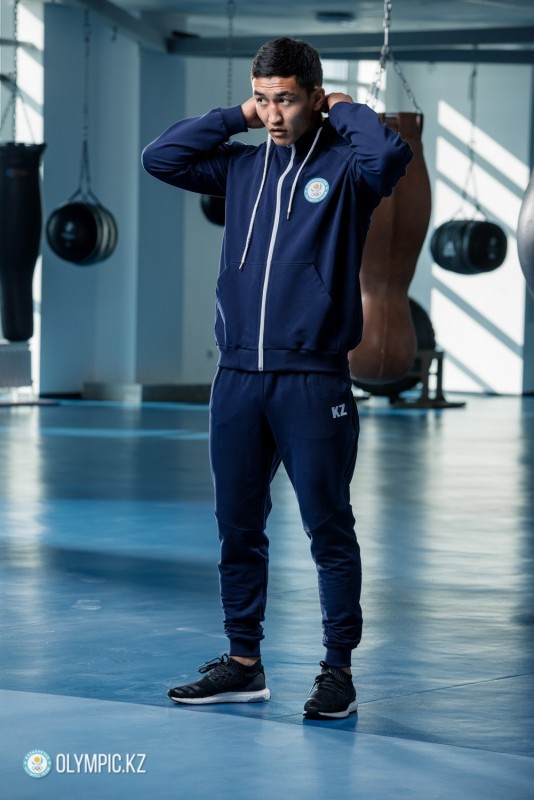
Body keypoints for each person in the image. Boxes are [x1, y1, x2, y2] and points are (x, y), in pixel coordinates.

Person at [142, 37, 412, 719]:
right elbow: (160, 157)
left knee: (327, 527)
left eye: (285, 100)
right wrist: (237, 114)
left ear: (313, 97)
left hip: (312, 381)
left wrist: (342, 107)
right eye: (262, 99)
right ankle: (243, 664)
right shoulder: (240, 169)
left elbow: (389, 156)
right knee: (237, 526)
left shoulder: (347, 171)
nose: (272, 114)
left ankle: (338, 671)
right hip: (237, 377)